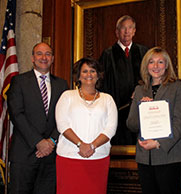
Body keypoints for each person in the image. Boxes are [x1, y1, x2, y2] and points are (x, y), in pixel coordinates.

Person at [7, 42, 68, 194]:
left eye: (48, 54)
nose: (44, 57)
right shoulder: (19, 81)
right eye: (39, 54)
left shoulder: (62, 85)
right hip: (24, 155)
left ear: (53, 58)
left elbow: (65, 116)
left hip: (51, 156)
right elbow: (16, 114)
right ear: (33, 58)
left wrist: (51, 141)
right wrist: (38, 142)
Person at [127, 47, 181, 194]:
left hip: (170, 156)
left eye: (160, 62)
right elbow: (131, 124)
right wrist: (141, 108)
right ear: (146, 66)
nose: (155, 66)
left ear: (166, 65)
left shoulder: (178, 87)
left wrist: (159, 143)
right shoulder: (140, 90)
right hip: (145, 158)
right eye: (151, 62)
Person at [55, 57, 118, 194]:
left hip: (98, 158)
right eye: (84, 71)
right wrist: (80, 144)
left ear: (98, 75)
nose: (89, 75)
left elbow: (110, 128)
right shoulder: (67, 96)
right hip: (69, 157)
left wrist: (92, 145)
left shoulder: (108, 99)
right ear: (78, 75)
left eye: (92, 71)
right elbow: (62, 124)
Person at [99, 15, 148, 145]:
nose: (126, 32)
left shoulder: (144, 52)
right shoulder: (108, 54)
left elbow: (150, 79)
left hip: (140, 110)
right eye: (123, 28)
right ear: (117, 32)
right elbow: (101, 84)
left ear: (134, 31)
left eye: (130, 28)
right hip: (117, 110)